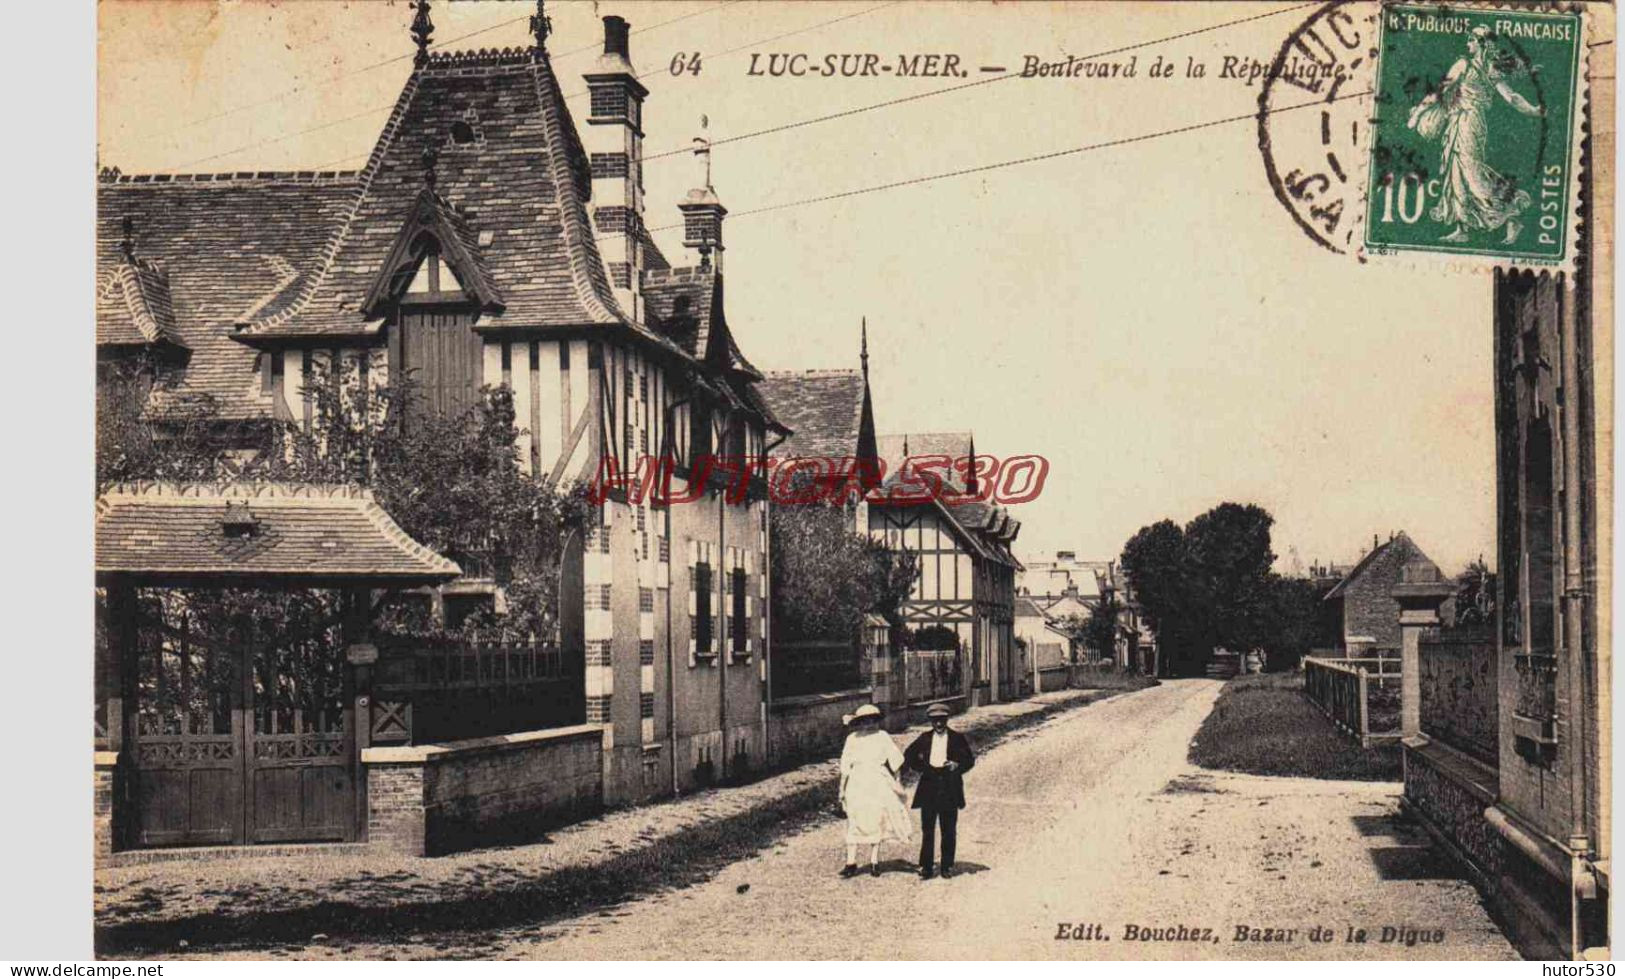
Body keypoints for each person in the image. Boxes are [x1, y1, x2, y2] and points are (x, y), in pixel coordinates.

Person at [1407, 25, 1544, 244]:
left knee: (1472, 173)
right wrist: (1535, 110)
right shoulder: (1478, 67)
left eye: (1471, 40)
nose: (1467, 44)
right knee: (1455, 173)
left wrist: (1534, 111)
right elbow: (1442, 92)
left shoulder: (1479, 67)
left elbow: (1511, 97)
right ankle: (1462, 228)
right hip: (1458, 122)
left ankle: (1511, 216)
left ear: (1482, 44)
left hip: (1470, 123)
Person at [837, 703, 912, 878]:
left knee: (877, 819)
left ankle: (874, 861)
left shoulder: (882, 736)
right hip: (857, 782)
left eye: (872, 720)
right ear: (859, 722)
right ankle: (851, 862)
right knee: (855, 819)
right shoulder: (852, 739)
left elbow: (895, 760)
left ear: (877, 721)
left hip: (878, 781)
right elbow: (845, 766)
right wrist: (841, 790)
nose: (869, 724)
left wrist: (897, 781)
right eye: (865, 720)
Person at [903, 702, 975, 879]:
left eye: (942, 720)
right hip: (929, 785)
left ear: (947, 719)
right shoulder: (924, 738)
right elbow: (909, 754)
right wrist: (923, 767)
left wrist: (956, 766)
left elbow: (969, 760)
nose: (939, 724)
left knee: (948, 828)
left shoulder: (957, 738)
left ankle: (946, 866)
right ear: (930, 721)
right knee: (928, 829)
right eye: (935, 720)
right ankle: (927, 867)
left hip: (950, 785)